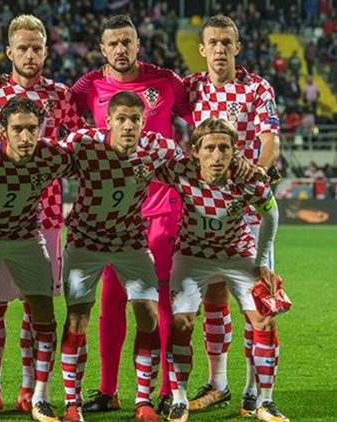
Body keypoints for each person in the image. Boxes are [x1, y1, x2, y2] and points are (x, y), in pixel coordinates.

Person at [70, 14, 191, 416]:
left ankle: (168, 390)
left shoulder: (168, 82)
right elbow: (61, 119)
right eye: (113, 43)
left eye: (127, 42)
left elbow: (202, 115)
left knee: (161, 301)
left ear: (138, 44)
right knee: (111, 299)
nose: (121, 49)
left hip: (162, 207)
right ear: (102, 48)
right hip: (112, 213)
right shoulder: (87, 87)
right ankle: (108, 390)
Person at [0, 14, 86, 415]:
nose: (30, 55)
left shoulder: (61, 96)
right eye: (22, 48)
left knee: (35, 307)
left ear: (46, 50)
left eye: (36, 48)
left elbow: (77, 147)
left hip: (47, 216)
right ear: (9, 51)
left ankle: (29, 389)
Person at [0, 97, 75, 422]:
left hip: (26, 239)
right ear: (1, 130)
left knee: (44, 313)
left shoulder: (51, 155)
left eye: (32, 129)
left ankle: (40, 398)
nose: (25, 136)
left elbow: (89, 160)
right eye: (18, 129)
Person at [59, 91, 181, 422]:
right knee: (76, 319)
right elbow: (46, 156)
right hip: (86, 242)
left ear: (144, 122)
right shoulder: (84, 143)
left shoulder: (157, 148)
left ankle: (143, 400)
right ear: (108, 121)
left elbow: (193, 165)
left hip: (130, 242)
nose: (128, 126)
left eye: (135, 120)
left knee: (148, 315)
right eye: (122, 119)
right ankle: (72, 402)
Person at [157, 118, 288, 422]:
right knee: (181, 323)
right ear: (196, 151)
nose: (216, 156)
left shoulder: (247, 178)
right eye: (210, 148)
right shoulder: (179, 169)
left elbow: (271, 214)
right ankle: (179, 400)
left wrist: (262, 261)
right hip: (192, 256)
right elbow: (142, 171)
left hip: (237, 255)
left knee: (265, 319)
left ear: (234, 151)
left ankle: (265, 402)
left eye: (224, 149)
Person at [182, 15, 281, 416]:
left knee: (258, 302)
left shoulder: (256, 88)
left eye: (227, 42)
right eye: (213, 42)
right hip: (207, 212)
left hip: (247, 211)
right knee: (215, 297)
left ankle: (254, 392)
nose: (220, 49)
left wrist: (256, 174)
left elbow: (270, 141)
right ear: (202, 49)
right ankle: (218, 384)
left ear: (237, 47)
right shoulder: (191, 87)